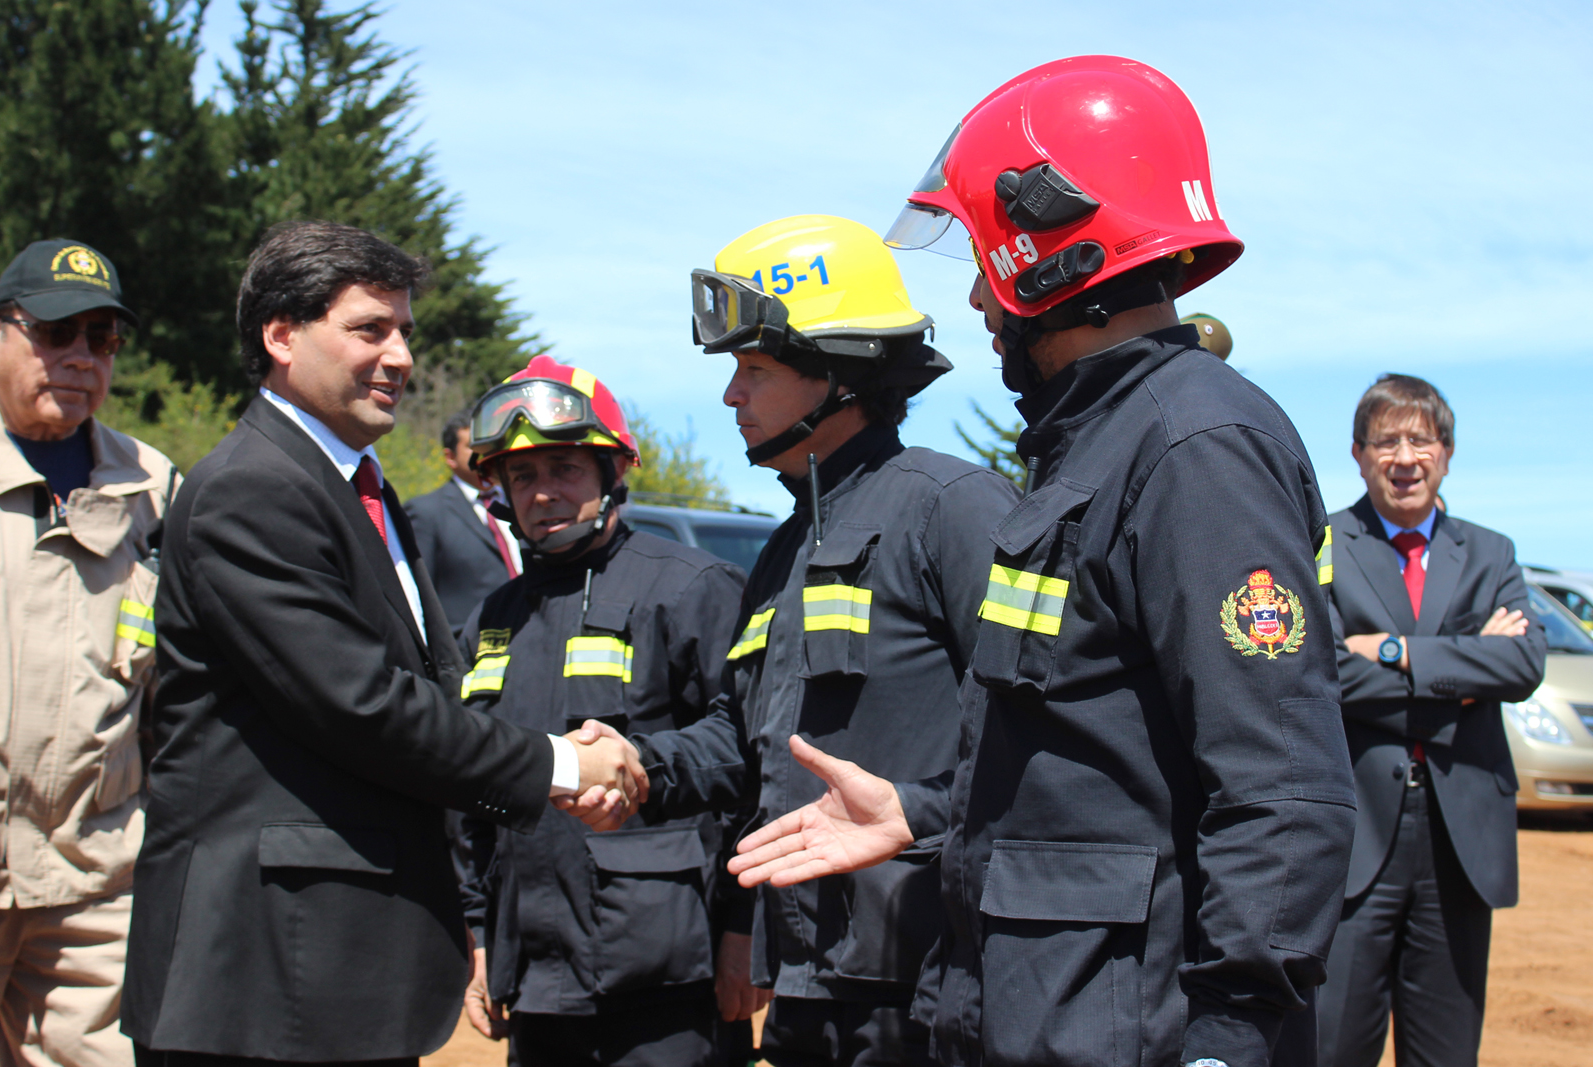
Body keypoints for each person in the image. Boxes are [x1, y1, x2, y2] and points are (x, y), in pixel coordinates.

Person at [728, 58, 1358, 1067]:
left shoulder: (1193, 446)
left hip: (1139, 1025)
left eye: (986, 257)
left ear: (1050, 254)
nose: (978, 295)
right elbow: (1097, 754)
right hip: (1050, 1009)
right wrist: (917, 812)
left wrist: (1232, 1033)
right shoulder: (1096, 448)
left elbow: (1278, 777)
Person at [119, 221, 645, 1067]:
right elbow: (360, 703)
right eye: (370, 328)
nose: (399, 356)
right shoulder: (252, 491)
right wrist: (562, 765)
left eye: (405, 330)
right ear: (281, 335)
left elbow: (425, 693)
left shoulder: (360, 490)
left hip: (337, 975)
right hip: (262, 983)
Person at [566, 214, 1020, 1067]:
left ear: (838, 373)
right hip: (816, 982)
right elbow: (744, 739)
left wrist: (917, 814)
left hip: (931, 984)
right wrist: (637, 762)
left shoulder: (950, 507)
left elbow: (1048, 737)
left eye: (755, 369)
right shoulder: (787, 543)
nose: (732, 394)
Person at [452, 355, 751, 1067]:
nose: (543, 492)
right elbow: (469, 797)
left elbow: (750, 756)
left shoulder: (691, 587)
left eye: (564, 469)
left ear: (611, 474)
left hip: (671, 974)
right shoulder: (489, 621)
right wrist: (480, 934)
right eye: (522, 475)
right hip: (536, 977)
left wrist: (747, 933)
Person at [1307, 374, 1544, 1067]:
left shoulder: (1492, 551)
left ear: (1446, 452)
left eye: (1420, 439)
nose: (1404, 456)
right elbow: (1323, 670)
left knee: (1446, 1053)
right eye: (1386, 441)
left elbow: (1523, 664)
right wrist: (1467, 670)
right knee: (1332, 1046)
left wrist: (1394, 650)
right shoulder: (1323, 542)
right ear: (1357, 454)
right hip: (1356, 837)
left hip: (1460, 839)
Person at [0, 239, 176, 1067]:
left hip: (96, 875)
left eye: (100, 337)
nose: (78, 357)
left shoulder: (153, 485)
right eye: (55, 332)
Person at [406, 406, 522, 638]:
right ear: (450, 457)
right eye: (473, 446)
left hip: (526, 640)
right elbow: (417, 594)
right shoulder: (426, 512)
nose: (484, 453)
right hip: (466, 648)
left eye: (489, 443)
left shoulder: (523, 502)